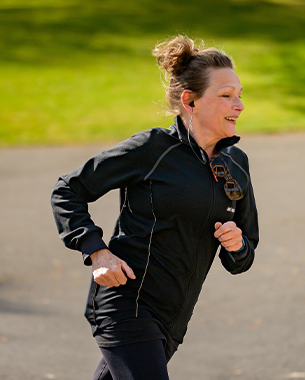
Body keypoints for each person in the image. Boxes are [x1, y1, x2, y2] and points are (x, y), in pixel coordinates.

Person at [50, 35, 259, 380]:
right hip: (126, 304)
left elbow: (244, 256)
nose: (238, 105)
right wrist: (96, 252)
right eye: (226, 96)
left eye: (239, 95)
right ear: (190, 101)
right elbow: (68, 189)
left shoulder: (236, 164)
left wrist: (237, 246)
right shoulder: (152, 149)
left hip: (172, 319)